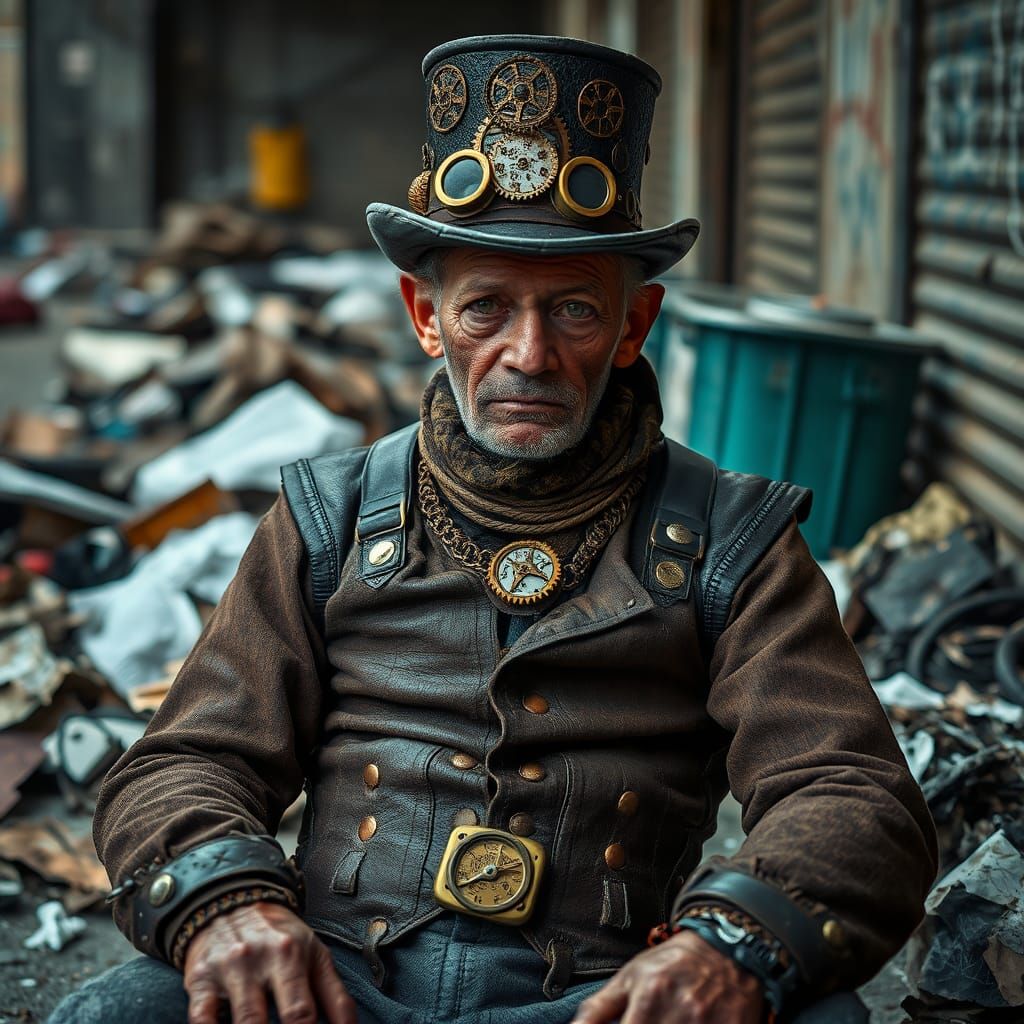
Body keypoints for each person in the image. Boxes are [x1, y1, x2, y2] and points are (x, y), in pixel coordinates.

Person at [51, 34, 937, 1024]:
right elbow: (184, 760)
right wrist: (224, 903)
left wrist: (728, 942)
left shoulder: (733, 539)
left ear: (636, 325)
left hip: (606, 1006)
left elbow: (852, 794)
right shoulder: (330, 513)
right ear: (423, 316)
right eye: (485, 310)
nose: (528, 352)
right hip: (332, 993)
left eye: (571, 310)